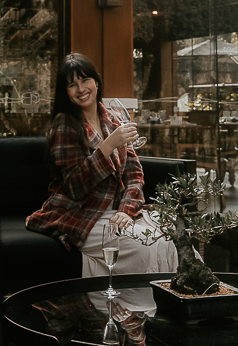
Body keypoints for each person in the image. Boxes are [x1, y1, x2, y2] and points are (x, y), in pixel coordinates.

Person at [26, 53, 177, 276]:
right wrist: (108, 146)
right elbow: (75, 187)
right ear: (65, 92)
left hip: (116, 212)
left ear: (96, 82)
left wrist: (127, 210)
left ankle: (177, 294)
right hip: (81, 214)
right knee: (148, 246)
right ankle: (141, 298)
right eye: (72, 85)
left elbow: (134, 175)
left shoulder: (113, 119)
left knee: (168, 238)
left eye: (85, 80)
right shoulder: (65, 124)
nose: (81, 89)